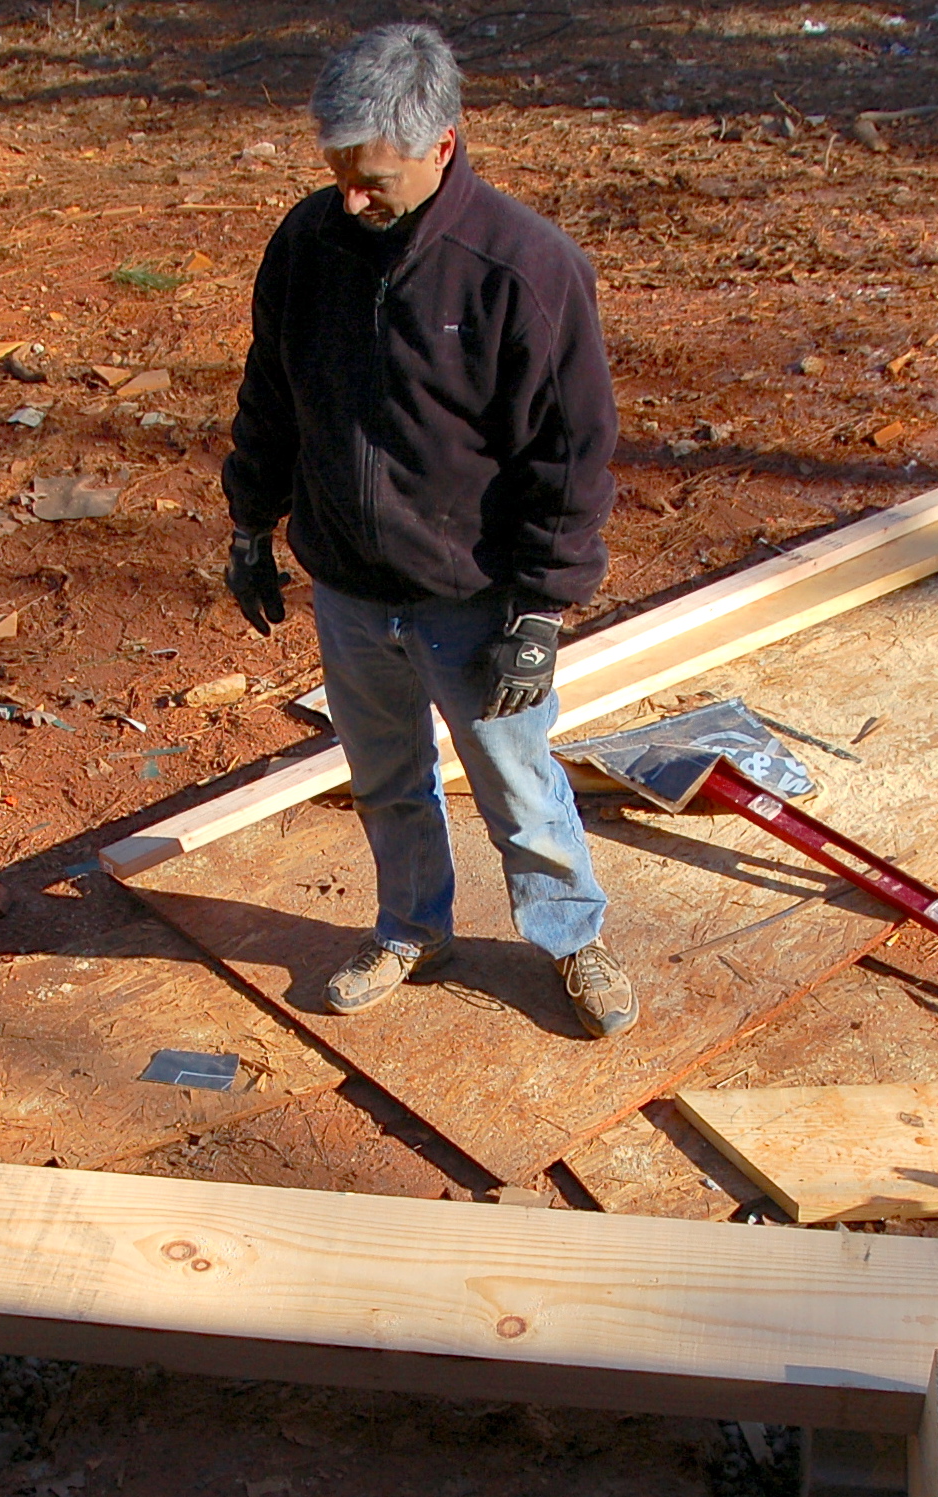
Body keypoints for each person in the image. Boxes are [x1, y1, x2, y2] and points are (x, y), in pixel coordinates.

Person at [221, 22, 638, 1039]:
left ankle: (571, 938)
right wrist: (249, 522)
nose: (350, 199)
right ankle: (412, 928)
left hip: (473, 598)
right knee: (384, 780)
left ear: (441, 144)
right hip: (351, 588)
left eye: (372, 180)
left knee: (518, 783)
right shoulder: (309, 245)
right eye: (337, 174)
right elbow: (270, 391)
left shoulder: (522, 269)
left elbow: (569, 455)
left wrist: (539, 610)